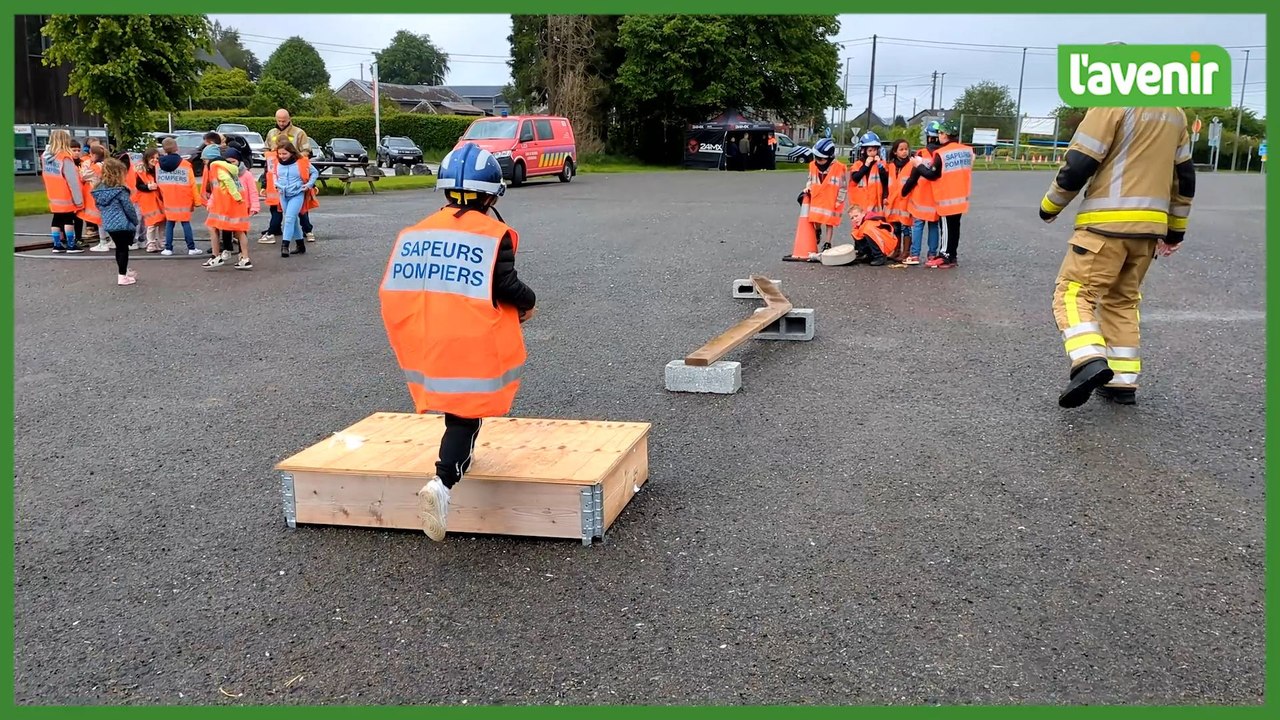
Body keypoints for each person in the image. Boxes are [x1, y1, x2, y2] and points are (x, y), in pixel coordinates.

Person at [378, 141, 537, 541]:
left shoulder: (416, 233)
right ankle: (442, 483)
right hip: (471, 336)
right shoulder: (492, 232)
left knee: (458, 409)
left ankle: (451, 468)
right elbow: (505, 285)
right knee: (468, 410)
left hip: (428, 333)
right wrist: (529, 302)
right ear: (491, 194)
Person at [1040, 104, 1195, 408]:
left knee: (1072, 294)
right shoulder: (1175, 113)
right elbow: (1185, 177)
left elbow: (1078, 164)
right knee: (1122, 300)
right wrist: (1176, 229)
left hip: (1104, 225)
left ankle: (1088, 359)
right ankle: (1122, 382)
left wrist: (1050, 205)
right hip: (1148, 231)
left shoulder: (1110, 104)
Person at [909, 120, 972, 268]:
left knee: (946, 228)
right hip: (961, 196)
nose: (939, 136)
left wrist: (918, 165)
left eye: (941, 133)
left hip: (947, 197)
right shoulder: (966, 150)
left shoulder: (942, 153)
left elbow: (932, 174)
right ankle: (952, 254)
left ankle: (945, 255)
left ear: (946, 135)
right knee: (955, 228)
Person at [262, 108, 317, 243]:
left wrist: (295, 159)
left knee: (300, 206)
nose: (281, 123)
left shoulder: (299, 133)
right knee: (276, 205)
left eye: (284, 120)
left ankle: (307, 230)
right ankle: (275, 229)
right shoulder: (272, 133)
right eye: (279, 121)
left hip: (295, 172)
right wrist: (270, 157)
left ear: (289, 119)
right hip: (277, 171)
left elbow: (306, 151)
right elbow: (266, 149)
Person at [90, 158, 140, 286]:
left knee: (119, 248)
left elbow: (98, 206)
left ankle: (124, 271)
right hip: (122, 223)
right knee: (123, 250)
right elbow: (128, 208)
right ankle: (122, 275)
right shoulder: (120, 191)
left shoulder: (98, 191)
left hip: (109, 224)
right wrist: (135, 221)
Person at [901, 121, 944, 266]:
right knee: (933, 227)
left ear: (928, 137)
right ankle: (932, 255)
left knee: (918, 225)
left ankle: (914, 255)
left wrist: (904, 191)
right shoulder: (942, 155)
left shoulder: (920, 154)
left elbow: (913, 176)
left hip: (920, 198)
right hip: (936, 198)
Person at [795, 137, 847, 251]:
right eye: (816, 158)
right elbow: (810, 179)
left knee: (829, 223)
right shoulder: (813, 165)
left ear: (829, 157)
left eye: (821, 159)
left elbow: (843, 187)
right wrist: (808, 187)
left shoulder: (839, 168)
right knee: (816, 219)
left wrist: (839, 201)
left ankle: (828, 243)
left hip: (831, 200)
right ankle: (817, 230)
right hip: (817, 198)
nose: (818, 161)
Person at [202, 149, 251, 269]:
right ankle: (245, 258)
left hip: (227, 205)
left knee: (212, 227)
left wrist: (236, 196)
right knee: (240, 230)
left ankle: (216, 256)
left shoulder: (217, 168)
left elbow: (227, 183)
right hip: (235, 205)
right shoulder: (230, 170)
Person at [156, 137, 204, 256]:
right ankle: (191, 248)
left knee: (169, 224)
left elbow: (158, 183)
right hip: (184, 199)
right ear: (176, 148)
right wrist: (197, 201)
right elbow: (192, 184)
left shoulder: (158, 165)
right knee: (185, 223)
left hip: (168, 199)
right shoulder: (185, 164)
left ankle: (168, 248)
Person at [40, 129, 85, 254]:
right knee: (68, 218)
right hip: (65, 193)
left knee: (56, 218)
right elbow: (72, 180)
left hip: (52, 192)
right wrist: (78, 200)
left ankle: (57, 244)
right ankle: (71, 244)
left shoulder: (45, 156)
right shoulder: (65, 157)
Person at [271, 141, 319, 257]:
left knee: (289, 219)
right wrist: (276, 184)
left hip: (297, 193)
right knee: (293, 220)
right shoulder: (277, 162)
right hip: (283, 194)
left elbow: (314, 172)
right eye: (280, 154)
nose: (282, 156)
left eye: (284, 154)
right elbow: (273, 174)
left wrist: (309, 185)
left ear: (292, 152)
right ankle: (300, 245)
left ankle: (285, 245)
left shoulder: (302, 161)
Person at [882, 139, 915, 263]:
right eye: (901, 149)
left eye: (906, 149)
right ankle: (896, 250)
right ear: (895, 152)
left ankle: (906, 252)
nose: (904, 152)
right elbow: (886, 183)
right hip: (893, 202)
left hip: (906, 202)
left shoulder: (912, 164)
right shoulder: (891, 166)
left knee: (906, 227)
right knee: (895, 228)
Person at [848, 132, 888, 214]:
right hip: (861, 204)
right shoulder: (858, 164)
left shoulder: (882, 164)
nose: (873, 153)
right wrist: (866, 166)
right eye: (870, 150)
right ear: (863, 151)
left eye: (875, 150)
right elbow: (855, 178)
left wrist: (880, 165)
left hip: (876, 204)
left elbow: (885, 180)